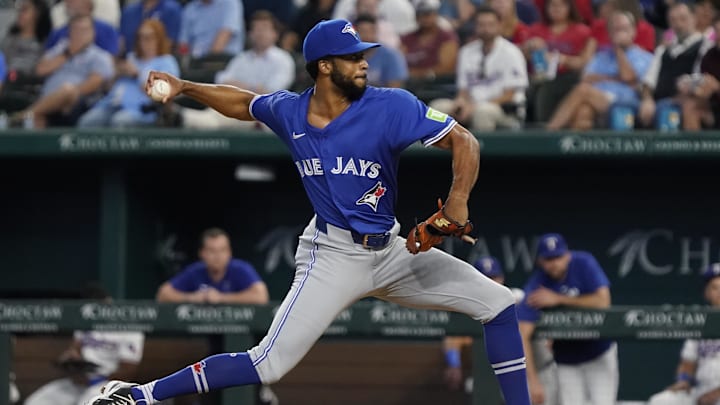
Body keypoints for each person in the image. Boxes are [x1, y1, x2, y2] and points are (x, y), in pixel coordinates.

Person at [89, 18, 532, 405]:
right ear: (324, 66)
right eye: (352, 56)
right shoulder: (291, 111)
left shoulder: (390, 105)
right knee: (268, 364)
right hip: (333, 254)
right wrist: (186, 87)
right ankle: (137, 396)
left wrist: (457, 202)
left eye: (364, 55)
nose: (364, 62)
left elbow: (465, 141)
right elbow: (244, 103)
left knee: (498, 303)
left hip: (393, 252)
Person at [443, 256, 559, 404]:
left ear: (502, 278)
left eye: (494, 277)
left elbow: (542, 320)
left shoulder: (517, 297)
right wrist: (453, 363)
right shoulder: (468, 306)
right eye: (485, 278)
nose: (491, 283)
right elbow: (452, 338)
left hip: (540, 367)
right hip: (503, 372)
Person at [518, 233, 617, 405]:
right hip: (566, 359)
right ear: (541, 261)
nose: (554, 263)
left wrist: (559, 299)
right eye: (548, 259)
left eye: (558, 257)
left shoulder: (583, 263)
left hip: (599, 352)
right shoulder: (538, 284)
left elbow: (603, 301)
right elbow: (522, 333)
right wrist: (532, 381)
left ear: (567, 255)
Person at [24, 284, 145, 405]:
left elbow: (129, 369)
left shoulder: (129, 328)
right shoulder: (85, 319)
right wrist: (71, 362)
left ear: (108, 301)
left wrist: (97, 381)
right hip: (79, 381)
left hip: (107, 384)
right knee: (36, 402)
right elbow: (75, 349)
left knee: (87, 403)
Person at [179, 10, 295, 130]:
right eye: (256, 29)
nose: (260, 33)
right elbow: (222, 81)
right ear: (250, 34)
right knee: (215, 112)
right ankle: (179, 115)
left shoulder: (283, 59)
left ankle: (181, 117)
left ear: (275, 34)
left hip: (267, 114)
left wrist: (242, 87)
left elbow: (271, 93)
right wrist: (253, 89)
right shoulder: (241, 58)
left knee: (213, 120)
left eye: (265, 29)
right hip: (236, 106)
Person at [546, 11, 653, 130]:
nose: (619, 33)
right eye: (615, 29)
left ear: (633, 31)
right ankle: (577, 147)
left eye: (623, 29)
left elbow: (628, 78)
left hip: (626, 103)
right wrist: (615, 78)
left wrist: (618, 50)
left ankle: (550, 132)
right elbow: (585, 78)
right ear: (609, 33)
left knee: (583, 90)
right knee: (583, 111)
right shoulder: (600, 56)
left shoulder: (645, 57)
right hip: (599, 100)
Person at [430, 6, 528, 131]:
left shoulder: (512, 52)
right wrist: (460, 103)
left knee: (482, 112)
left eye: (490, 24)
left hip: (505, 110)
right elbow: (463, 90)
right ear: (475, 26)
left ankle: (478, 150)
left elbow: (509, 94)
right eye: (481, 25)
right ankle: (440, 150)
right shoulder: (466, 51)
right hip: (471, 105)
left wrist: (474, 107)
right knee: (436, 108)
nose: (486, 29)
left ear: (499, 25)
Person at [12, 15, 114, 128]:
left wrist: (64, 95)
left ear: (93, 33)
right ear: (70, 32)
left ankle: (21, 116)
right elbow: (40, 70)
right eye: (77, 30)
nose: (80, 34)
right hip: (46, 100)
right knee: (38, 118)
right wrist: (68, 54)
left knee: (68, 90)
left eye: (84, 30)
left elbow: (94, 83)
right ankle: (28, 120)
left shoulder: (100, 56)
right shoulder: (60, 49)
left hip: (76, 103)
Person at [77, 20, 179, 128]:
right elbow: (107, 87)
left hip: (142, 110)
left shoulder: (166, 61)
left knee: (119, 121)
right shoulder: (131, 58)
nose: (143, 42)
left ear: (159, 39)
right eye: (140, 37)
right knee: (87, 121)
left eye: (148, 37)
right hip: (112, 104)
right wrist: (117, 74)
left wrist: (136, 74)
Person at [646, 263, 720, 405]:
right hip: (701, 389)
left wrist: (716, 393)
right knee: (660, 401)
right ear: (707, 292)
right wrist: (684, 380)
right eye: (714, 287)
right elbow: (687, 362)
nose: (719, 292)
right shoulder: (701, 320)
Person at [156, 228, 269, 304]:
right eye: (212, 251)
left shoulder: (240, 269)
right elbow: (163, 294)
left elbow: (261, 296)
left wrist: (221, 298)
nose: (217, 256)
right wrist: (193, 298)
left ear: (229, 252)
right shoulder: (196, 271)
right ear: (202, 253)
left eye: (222, 250)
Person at [639, 2, 704, 129]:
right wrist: (647, 100)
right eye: (673, 20)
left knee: (668, 112)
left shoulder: (703, 47)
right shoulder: (663, 50)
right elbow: (648, 81)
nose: (678, 24)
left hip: (684, 102)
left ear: (694, 18)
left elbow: (700, 80)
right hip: (658, 103)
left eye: (683, 19)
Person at [677, 16, 720, 130]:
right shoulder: (709, 56)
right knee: (690, 106)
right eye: (717, 31)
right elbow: (702, 80)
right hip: (713, 105)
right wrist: (693, 88)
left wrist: (717, 87)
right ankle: (695, 146)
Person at [45, 0, 120, 56]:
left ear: (88, 5)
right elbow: (43, 66)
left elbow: (112, 63)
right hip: (61, 73)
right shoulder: (58, 33)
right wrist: (70, 52)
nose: (67, 2)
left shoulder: (106, 30)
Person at [354, 14, 408, 87]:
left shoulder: (391, 55)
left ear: (376, 31)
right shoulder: (346, 56)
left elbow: (395, 88)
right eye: (362, 31)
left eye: (370, 31)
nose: (366, 35)